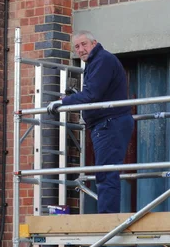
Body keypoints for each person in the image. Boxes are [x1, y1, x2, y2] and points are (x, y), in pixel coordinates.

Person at [47, 30, 134, 214]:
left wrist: (63, 102)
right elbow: (94, 93)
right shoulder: (96, 62)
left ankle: (107, 220)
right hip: (107, 123)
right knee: (105, 171)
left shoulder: (101, 60)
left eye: (84, 44)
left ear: (94, 43)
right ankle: (106, 219)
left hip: (109, 123)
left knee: (106, 172)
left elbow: (91, 95)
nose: (80, 49)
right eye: (77, 47)